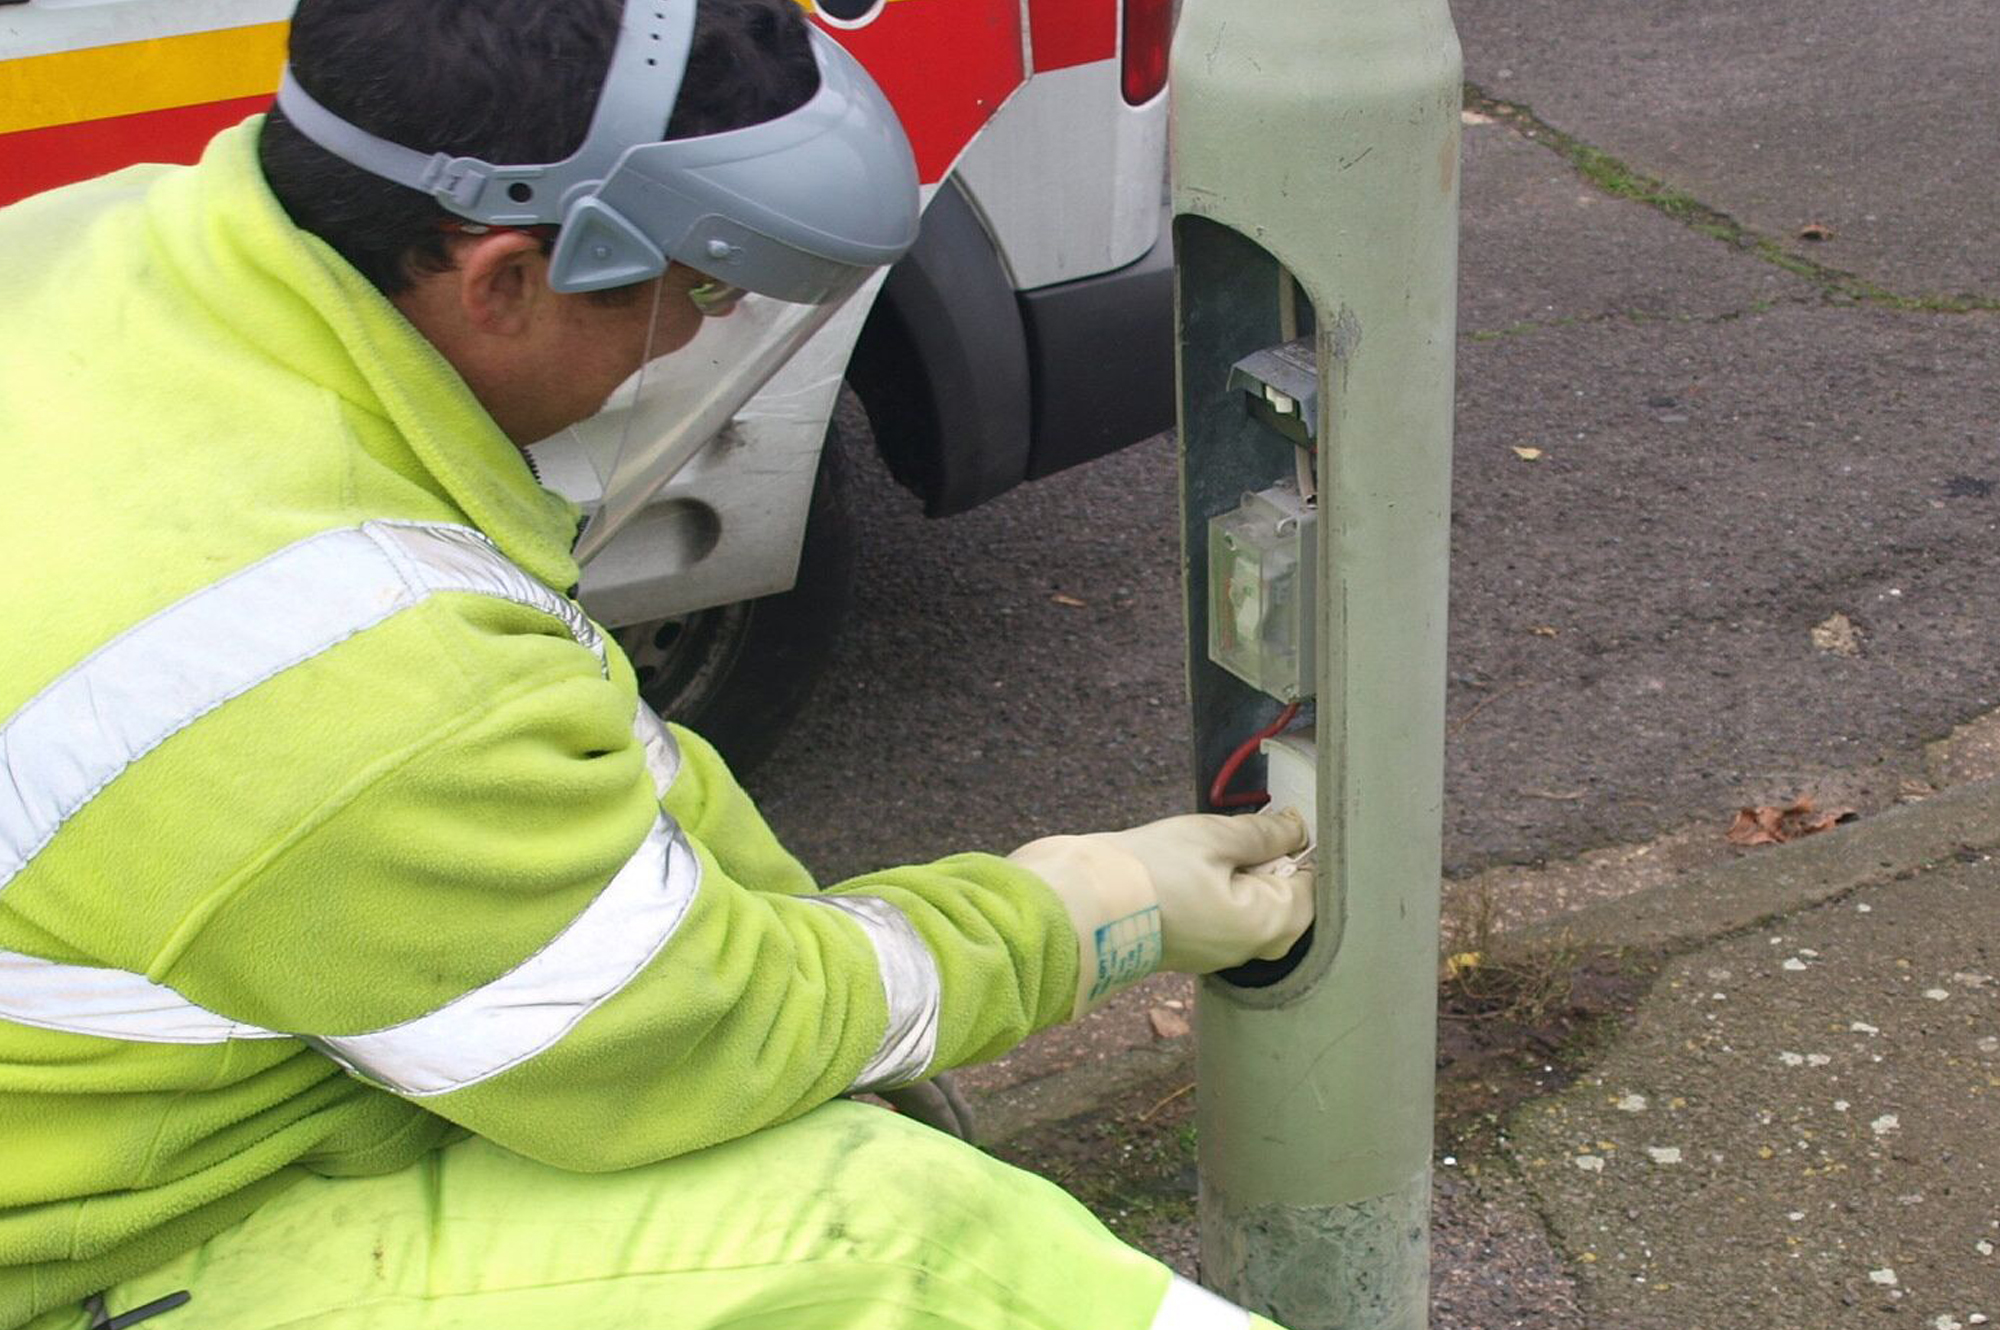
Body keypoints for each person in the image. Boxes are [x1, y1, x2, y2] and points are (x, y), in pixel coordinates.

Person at [0, 2, 1314, 1327]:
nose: (700, 332)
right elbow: (687, 1039)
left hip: (92, 1109)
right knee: (904, 1251)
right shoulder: (349, 671)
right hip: (72, 1254)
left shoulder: (104, 241)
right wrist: (1080, 912)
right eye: (695, 287)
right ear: (501, 281)